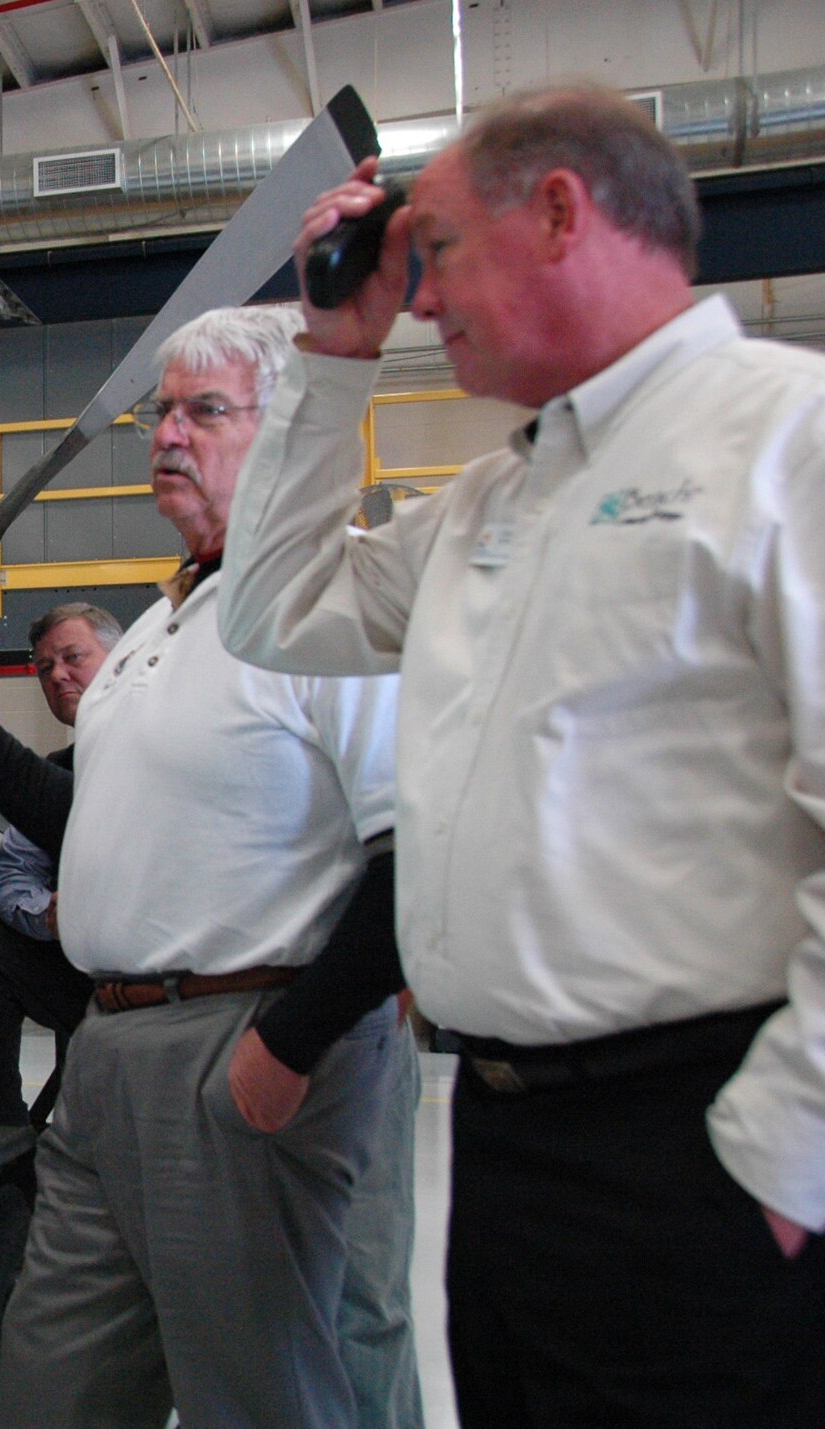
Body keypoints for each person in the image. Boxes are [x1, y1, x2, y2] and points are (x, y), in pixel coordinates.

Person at [217, 82, 825, 1426]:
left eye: (433, 249)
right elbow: (271, 612)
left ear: (559, 212)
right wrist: (332, 355)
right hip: (501, 1135)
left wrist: (786, 1167)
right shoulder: (492, 499)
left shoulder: (787, 440)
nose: (419, 297)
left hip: (698, 1146)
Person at [0, 306, 420, 1429]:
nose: (167, 434)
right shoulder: (157, 629)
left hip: (241, 1032)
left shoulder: (336, 602)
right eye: (162, 411)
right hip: (108, 1052)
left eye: (204, 410)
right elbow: (87, 821)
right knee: (55, 1384)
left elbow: (415, 852)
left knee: (259, 1389)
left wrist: (287, 1043)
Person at [0, 602, 118, 1127]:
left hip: (176, 977)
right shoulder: (54, 775)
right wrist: (50, 916)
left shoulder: (169, 748)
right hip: (84, 971)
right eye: (44, 667)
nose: (57, 675)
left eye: (73, 657)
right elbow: (12, 878)